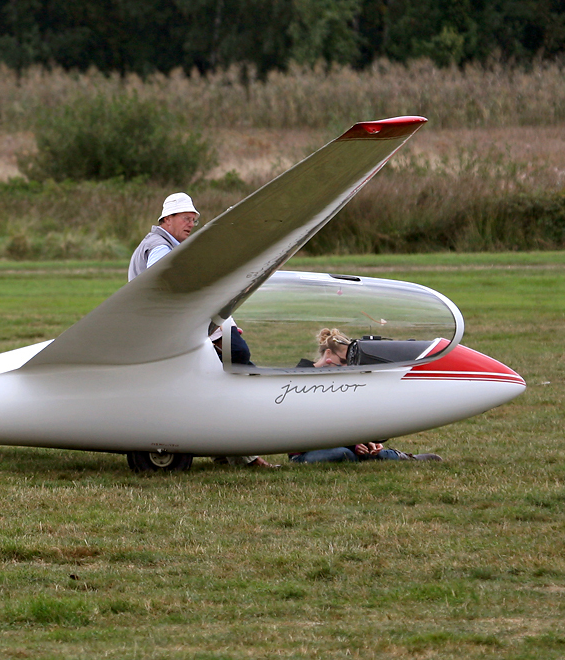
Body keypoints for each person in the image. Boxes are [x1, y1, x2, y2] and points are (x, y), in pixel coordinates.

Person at [130, 193, 275, 467]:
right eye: (186, 219)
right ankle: (243, 453)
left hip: (179, 332)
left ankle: (226, 450)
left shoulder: (165, 245)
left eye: (194, 220)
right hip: (174, 336)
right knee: (240, 370)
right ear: (168, 219)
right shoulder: (159, 246)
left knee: (237, 368)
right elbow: (166, 283)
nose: (190, 224)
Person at [289, 328, 443, 463]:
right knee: (344, 454)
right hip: (305, 452)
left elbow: (344, 420)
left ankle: (400, 456)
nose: (346, 366)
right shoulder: (301, 375)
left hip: (341, 444)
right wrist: (353, 444)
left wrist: (367, 441)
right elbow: (317, 426)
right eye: (343, 361)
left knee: (357, 453)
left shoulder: (340, 381)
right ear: (328, 353)